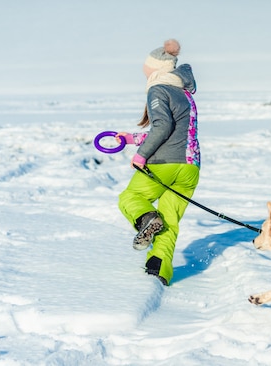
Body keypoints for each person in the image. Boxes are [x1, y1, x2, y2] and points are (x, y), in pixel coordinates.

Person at [116, 42, 199, 286]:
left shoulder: (158, 89)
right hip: (190, 167)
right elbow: (174, 130)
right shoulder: (183, 91)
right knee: (169, 220)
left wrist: (141, 155)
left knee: (130, 197)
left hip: (165, 163)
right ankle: (158, 271)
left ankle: (146, 219)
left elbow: (162, 127)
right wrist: (132, 139)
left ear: (155, 69)